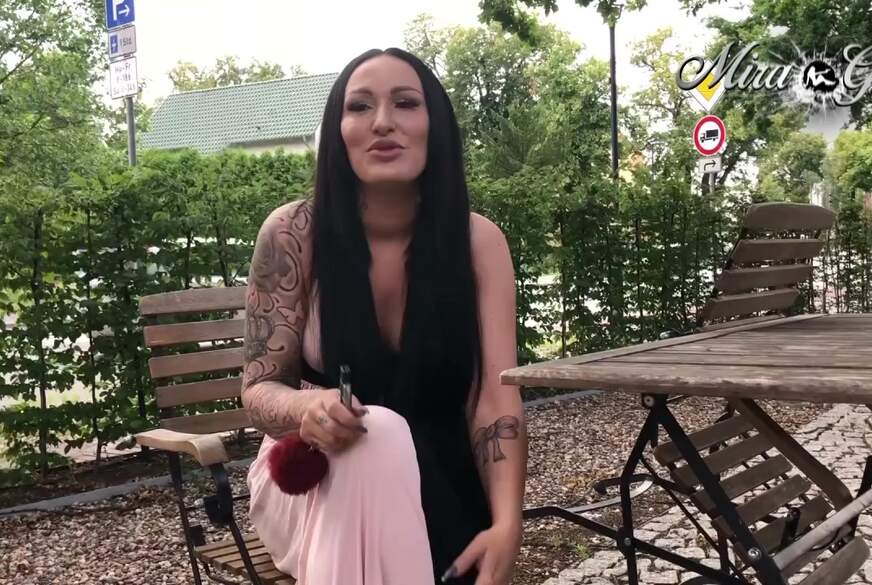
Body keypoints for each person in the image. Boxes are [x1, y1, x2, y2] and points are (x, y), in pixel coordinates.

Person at [241, 47, 527, 585]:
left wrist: (508, 522)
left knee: (401, 451)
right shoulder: (293, 234)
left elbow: (496, 399)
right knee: (381, 434)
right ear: (338, 129)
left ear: (434, 124)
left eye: (405, 103)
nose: (382, 122)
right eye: (359, 106)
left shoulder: (478, 243)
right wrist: (308, 406)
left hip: (438, 474)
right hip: (315, 477)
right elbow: (258, 390)